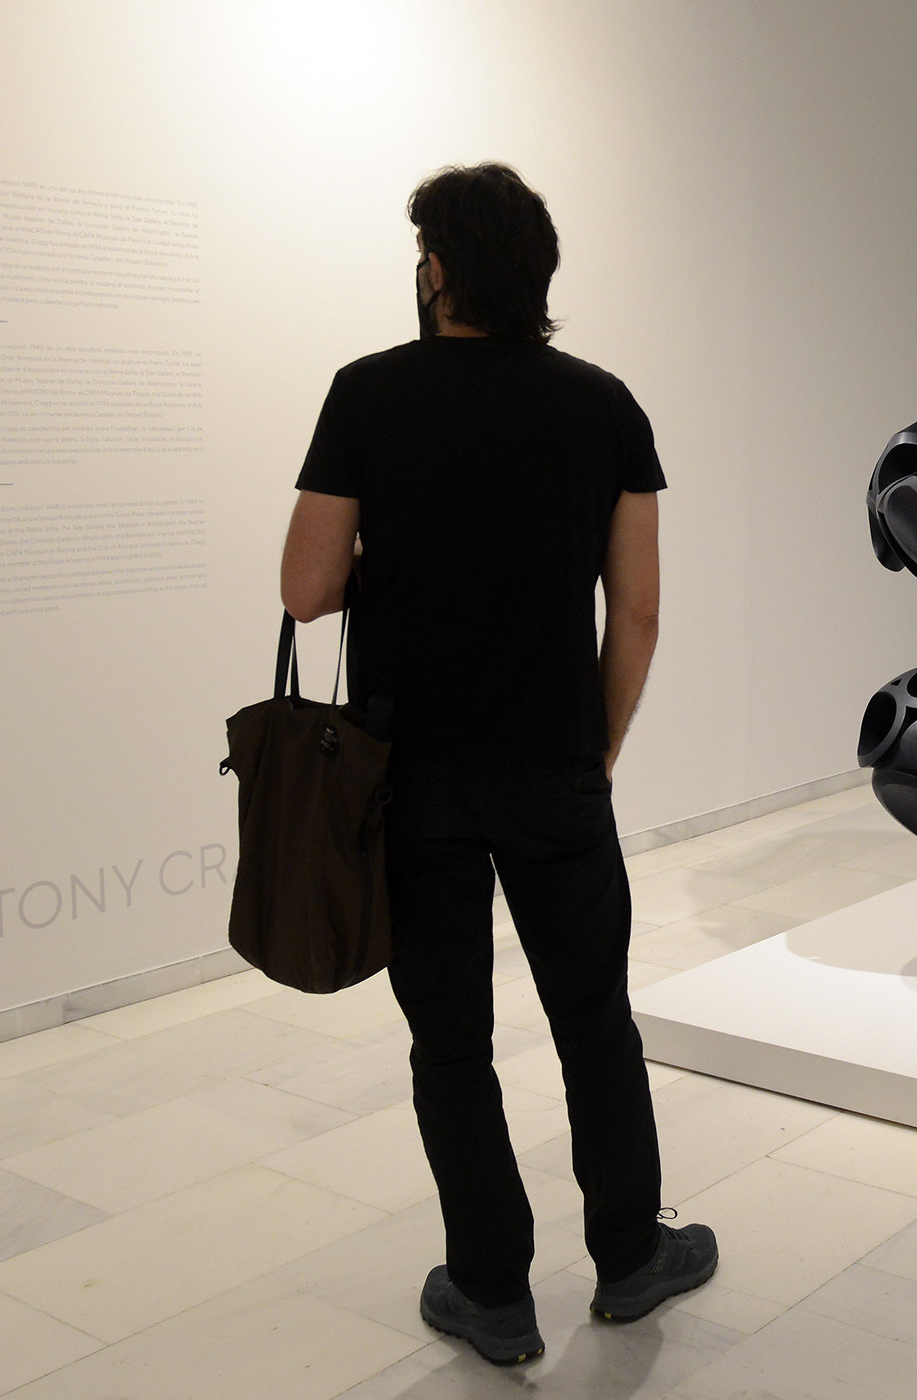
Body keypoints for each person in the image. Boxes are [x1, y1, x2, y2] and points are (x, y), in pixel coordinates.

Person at [279, 162, 715, 1365]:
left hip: (410, 774)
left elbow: (306, 587)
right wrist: (600, 745)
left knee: (450, 1040)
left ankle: (490, 1288)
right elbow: (637, 612)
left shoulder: (367, 391)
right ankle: (628, 1256)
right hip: (553, 765)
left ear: (438, 269)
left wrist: (403, 561)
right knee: (593, 1020)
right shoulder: (603, 403)